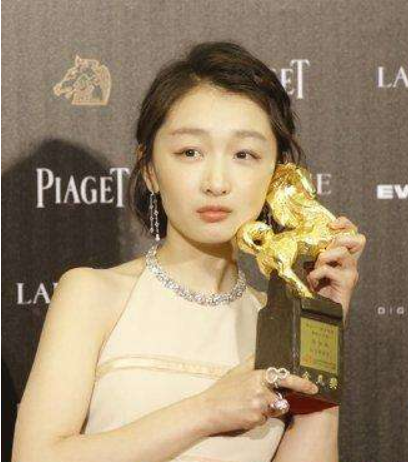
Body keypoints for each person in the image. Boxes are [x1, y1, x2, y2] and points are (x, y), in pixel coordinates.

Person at [12, 41, 366, 462]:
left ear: (276, 175)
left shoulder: (274, 320)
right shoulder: (94, 295)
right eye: (190, 152)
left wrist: (321, 328)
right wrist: (208, 410)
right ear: (150, 168)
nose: (216, 182)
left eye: (244, 154)